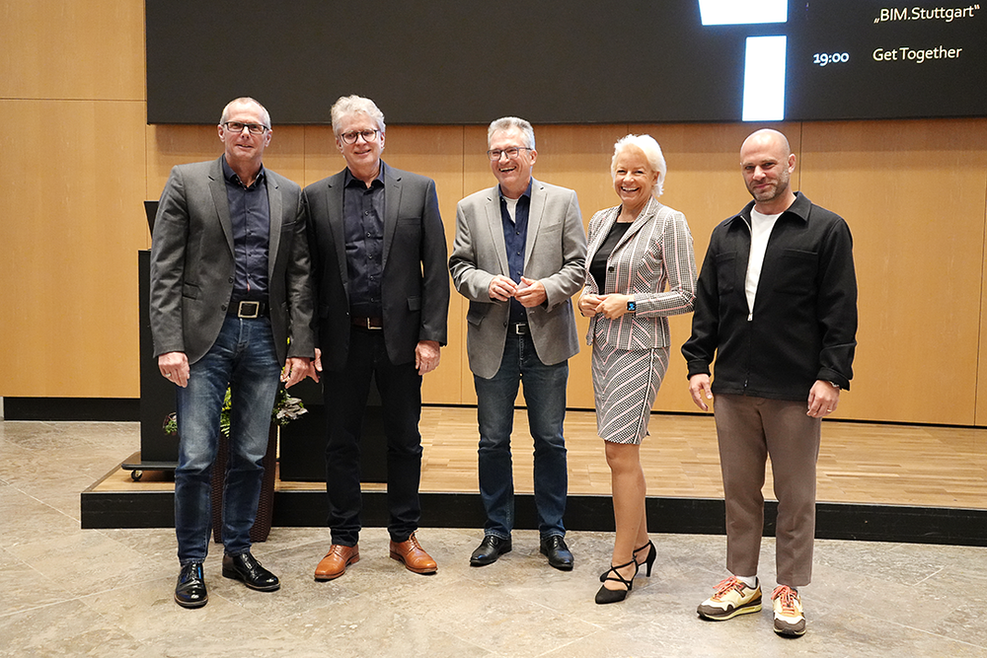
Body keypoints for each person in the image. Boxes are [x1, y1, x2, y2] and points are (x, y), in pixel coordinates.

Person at [682, 128, 857, 637]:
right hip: (732, 386)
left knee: (795, 493)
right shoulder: (726, 233)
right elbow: (708, 307)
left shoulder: (825, 229)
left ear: (790, 163)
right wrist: (698, 364)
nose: (759, 175)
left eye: (768, 165)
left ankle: (788, 587)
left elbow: (840, 310)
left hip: (796, 390)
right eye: (749, 167)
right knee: (739, 491)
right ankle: (742, 580)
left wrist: (831, 376)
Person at [150, 97, 315, 608]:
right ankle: (192, 562)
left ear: (270, 136)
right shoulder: (186, 180)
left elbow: (300, 276)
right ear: (221, 132)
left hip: (265, 337)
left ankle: (238, 550)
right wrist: (168, 343)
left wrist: (302, 345)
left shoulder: (289, 194)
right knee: (196, 458)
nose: (246, 133)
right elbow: (166, 269)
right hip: (204, 341)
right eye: (236, 125)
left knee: (250, 454)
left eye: (255, 126)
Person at [304, 95, 449, 581]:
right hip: (341, 341)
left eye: (368, 132)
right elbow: (305, 277)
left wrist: (430, 337)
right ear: (338, 143)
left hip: (403, 342)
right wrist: (307, 341)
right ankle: (344, 540)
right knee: (339, 442)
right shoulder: (316, 196)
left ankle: (403, 535)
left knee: (404, 439)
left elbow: (435, 272)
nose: (361, 141)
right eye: (350, 134)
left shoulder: (419, 190)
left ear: (382, 136)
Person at [449, 117, 587, 570]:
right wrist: (486, 284)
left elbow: (578, 264)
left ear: (532, 154)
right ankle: (497, 530)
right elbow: (459, 267)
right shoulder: (469, 207)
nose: (504, 159)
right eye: (496, 152)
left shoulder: (563, 201)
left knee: (550, 439)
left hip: (546, 339)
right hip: (494, 340)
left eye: (512, 150)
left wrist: (546, 289)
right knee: (492, 441)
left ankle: (553, 532)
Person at [578, 135, 697, 604]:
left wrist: (627, 303)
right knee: (618, 454)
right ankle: (643, 544)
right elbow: (594, 276)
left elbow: (687, 294)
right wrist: (588, 299)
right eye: (621, 171)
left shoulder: (670, 223)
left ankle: (623, 561)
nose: (628, 179)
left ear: (656, 177)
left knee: (620, 453)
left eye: (638, 172)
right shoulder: (600, 219)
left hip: (642, 349)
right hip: (603, 346)